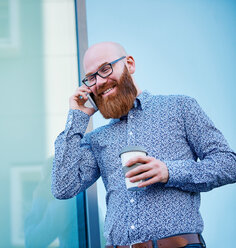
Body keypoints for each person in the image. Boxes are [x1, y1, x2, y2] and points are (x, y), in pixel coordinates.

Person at [51, 41, 236, 248]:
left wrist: (169, 171)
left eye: (105, 69)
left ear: (129, 64)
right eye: (91, 77)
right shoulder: (97, 139)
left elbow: (228, 164)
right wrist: (76, 118)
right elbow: (63, 187)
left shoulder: (181, 108)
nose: (99, 81)